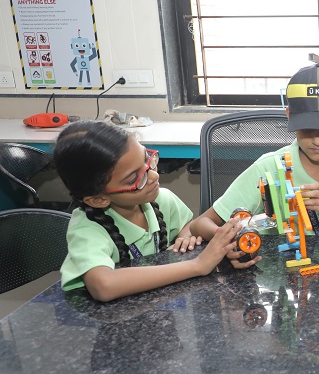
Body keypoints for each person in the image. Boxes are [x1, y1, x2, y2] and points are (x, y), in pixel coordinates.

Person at [189, 62, 319, 264]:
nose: (318, 140)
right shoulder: (268, 167)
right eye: (308, 128)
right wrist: (229, 240)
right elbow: (200, 223)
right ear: (290, 117)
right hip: (279, 274)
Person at [55, 120, 243, 302]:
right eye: (133, 179)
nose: (153, 176)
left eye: (147, 160)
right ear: (98, 199)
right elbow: (103, 286)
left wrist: (185, 237)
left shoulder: (162, 199)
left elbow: (188, 226)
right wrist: (198, 265)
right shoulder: (87, 230)